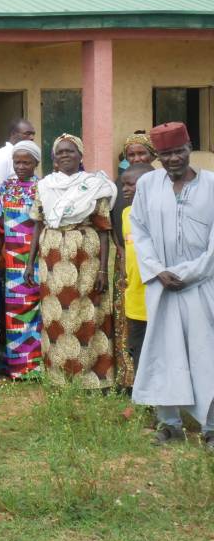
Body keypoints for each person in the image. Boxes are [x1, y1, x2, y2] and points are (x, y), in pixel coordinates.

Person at [128, 123, 214, 448]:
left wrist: (186, 274)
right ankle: (170, 425)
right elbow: (139, 230)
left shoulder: (211, 185)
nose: (174, 158)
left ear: (190, 147)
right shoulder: (148, 185)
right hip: (162, 286)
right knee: (164, 352)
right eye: (166, 154)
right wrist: (158, 271)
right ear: (158, 156)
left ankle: (211, 428)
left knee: (207, 354)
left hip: (202, 285)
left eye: (179, 151)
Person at [26, 134, 116, 389]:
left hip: (85, 254)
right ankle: (60, 378)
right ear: (54, 158)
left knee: (88, 310)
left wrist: (102, 270)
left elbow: (103, 229)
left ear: (80, 155)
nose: (65, 155)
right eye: (60, 152)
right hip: (51, 255)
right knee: (55, 312)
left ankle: (93, 379)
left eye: (70, 151)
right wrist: (30, 262)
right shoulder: (45, 186)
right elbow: (38, 224)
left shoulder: (94, 186)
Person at [0, 140, 43, 380]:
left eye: (26, 162)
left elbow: (42, 224)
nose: (21, 166)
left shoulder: (42, 188)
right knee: (12, 311)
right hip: (11, 257)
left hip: (33, 256)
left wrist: (32, 260)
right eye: (17, 162)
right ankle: (14, 366)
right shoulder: (6, 187)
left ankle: (32, 366)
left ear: (36, 163)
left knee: (32, 308)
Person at [118, 163, 153, 384]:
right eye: (124, 185)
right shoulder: (126, 214)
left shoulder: (159, 214)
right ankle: (143, 396)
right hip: (135, 299)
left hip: (157, 298)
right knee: (137, 348)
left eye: (131, 184)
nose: (125, 189)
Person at [0, 118, 37, 203]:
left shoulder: (28, 154)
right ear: (13, 134)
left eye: (33, 134)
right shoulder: (3, 155)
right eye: (27, 134)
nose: (32, 138)